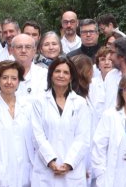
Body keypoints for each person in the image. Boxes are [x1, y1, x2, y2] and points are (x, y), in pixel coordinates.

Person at [29, 55, 91, 186]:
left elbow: (83, 137)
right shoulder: (39, 101)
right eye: (57, 71)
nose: (61, 75)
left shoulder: (80, 103)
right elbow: (37, 135)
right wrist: (51, 161)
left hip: (72, 171)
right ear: (51, 75)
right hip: (46, 170)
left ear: (71, 77)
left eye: (66, 72)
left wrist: (68, 163)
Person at [10, 34, 48, 103]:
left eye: (28, 47)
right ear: (12, 50)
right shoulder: (3, 74)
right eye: (19, 47)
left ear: (34, 51)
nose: (23, 50)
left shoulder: (44, 74)